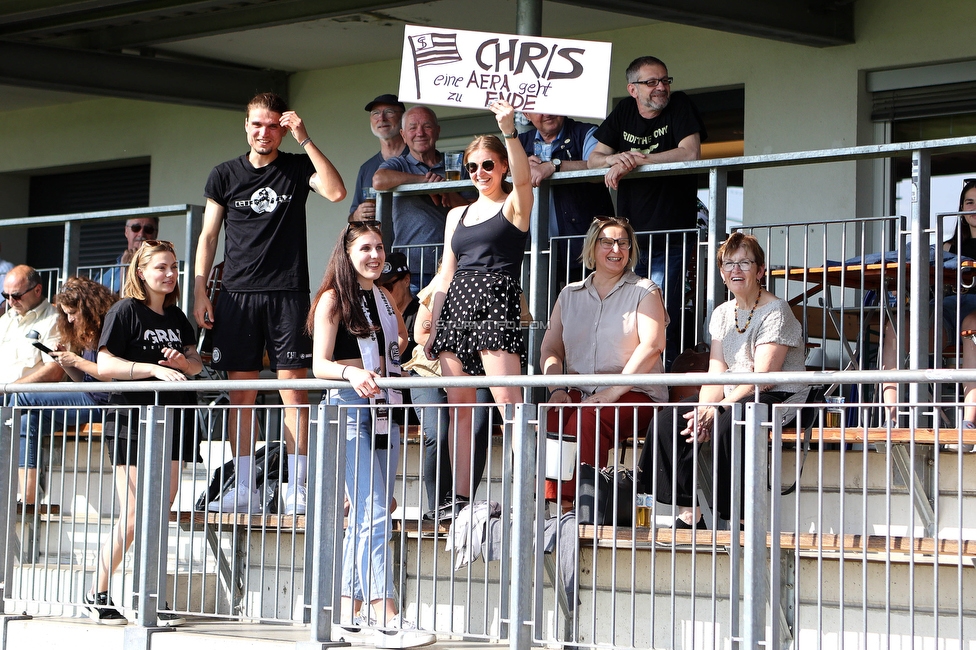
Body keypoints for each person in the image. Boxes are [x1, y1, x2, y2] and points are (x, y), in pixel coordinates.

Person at [194, 92, 346, 515]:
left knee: (293, 393)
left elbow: (336, 193)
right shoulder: (224, 174)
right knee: (241, 394)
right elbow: (208, 237)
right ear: (246, 126)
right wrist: (200, 289)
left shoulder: (297, 166)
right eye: (257, 124)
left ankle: (297, 486)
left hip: (288, 292)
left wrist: (306, 139)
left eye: (273, 125)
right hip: (237, 296)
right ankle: (245, 487)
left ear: (283, 127)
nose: (265, 132)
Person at [309, 222, 435, 648]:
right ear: (347, 253)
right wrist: (352, 372)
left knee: (368, 515)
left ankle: (347, 611)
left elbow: (398, 343)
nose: (374, 255)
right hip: (348, 409)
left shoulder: (382, 297)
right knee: (375, 511)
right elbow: (319, 365)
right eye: (365, 248)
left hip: (384, 410)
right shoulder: (332, 299)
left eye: (379, 247)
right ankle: (386, 616)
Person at [638, 233, 808, 529]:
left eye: (744, 262)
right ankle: (690, 511)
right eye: (729, 264)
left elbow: (764, 378)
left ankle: (736, 519)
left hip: (777, 395)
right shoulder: (721, 313)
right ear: (721, 273)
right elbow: (716, 371)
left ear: (761, 270)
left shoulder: (777, 311)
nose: (736, 270)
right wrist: (704, 410)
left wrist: (717, 411)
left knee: (730, 424)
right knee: (668, 421)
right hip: (733, 392)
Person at [425, 99, 533, 516]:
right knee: (460, 408)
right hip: (456, 308)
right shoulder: (457, 214)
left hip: (495, 302)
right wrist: (434, 322)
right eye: (472, 167)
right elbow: (445, 274)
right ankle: (461, 499)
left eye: (488, 165)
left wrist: (509, 130)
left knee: (510, 405)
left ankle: (526, 493)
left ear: (502, 165)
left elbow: (525, 183)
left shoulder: (514, 205)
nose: (480, 174)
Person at [88, 240, 202, 625]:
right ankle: (98, 592)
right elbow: (105, 364)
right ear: (141, 271)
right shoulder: (124, 311)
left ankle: (150, 597)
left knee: (158, 514)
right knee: (136, 513)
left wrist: (183, 362)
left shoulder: (177, 316)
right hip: (132, 421)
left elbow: (197, 365)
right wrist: (151, 368)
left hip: (175, 419)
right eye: (161, 268)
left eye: (173, 268)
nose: (169, 275)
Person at [540, 216, 668, 511]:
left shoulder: (645, 290)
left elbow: (653, 346)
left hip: (635, 394)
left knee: (589, 416)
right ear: (592, 248)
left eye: (623, 243)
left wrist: (613, 391)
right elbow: (550, 347)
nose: (616, 249)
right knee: (553, 415)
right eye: (607, 242)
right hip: (583, 391)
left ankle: (581, 506)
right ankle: (555, 505)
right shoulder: (569, 294)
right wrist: (556, 386)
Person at [587, 55, 707, 368]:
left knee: (662, 308)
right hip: (630, 239)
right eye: (651, 82)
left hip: (672, 234)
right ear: (633, 89)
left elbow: (690, 152)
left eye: (664, 80)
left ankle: (667, 372)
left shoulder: (679, 105)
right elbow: (594, 158)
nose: (660, 87)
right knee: (628, 310)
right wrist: (618, 159)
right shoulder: (625, 111)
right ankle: (632, 373)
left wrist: (639, 160)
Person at [14, 277, 117, 505]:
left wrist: (76, 360)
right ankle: (28, 498)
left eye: (73, 313)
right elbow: (83, 379)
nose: (70, 319)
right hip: (88, 396)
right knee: (26, 421)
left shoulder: (109, 327)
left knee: (21, 396)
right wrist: (66, 363)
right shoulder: (88, 331)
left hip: (102, 402)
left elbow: (111, 374)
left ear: (88, 307)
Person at [882, 178, 976, 424]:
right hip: (946, 313)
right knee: (895, 328)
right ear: (961, 209)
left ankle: (967, 422)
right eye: (970, 202)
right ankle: (889, 419)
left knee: (971, 324)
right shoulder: (946, 248)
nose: (974, 208)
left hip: (971, 319)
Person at [403, 272, 495, 519]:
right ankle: (437, 508)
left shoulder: (501, 281)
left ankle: (462, 504)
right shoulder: (440, 283)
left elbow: (518, 328)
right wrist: (456, 348)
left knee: (477, 429)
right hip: (429, 371)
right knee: (438, 433)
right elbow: (421, 334)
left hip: (480, 372)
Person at [373, 106, 469, 294]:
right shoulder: (399, 164)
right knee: (414, 323)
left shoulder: (457, 165)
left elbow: (476, 211)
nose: (420, 133)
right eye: (413, 127)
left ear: (438, 131)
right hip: (412, 271)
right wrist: (426, 183)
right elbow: (379, 180)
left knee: (451, 324)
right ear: (403, 134)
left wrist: (449, 193)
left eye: (427, 126)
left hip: (455, 267)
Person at [517, 112, 614, 283]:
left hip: (585, 251)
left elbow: (600, 168)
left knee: (589, 308)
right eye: (540, 109)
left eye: (552, 106)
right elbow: (497, 174)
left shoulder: (586, 132)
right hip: (533, 252)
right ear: (526, 114)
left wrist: (555, 165)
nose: (547, 113)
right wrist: (517, 169)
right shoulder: (518, 143)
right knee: (542, 309)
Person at [0, 265, 63, 386]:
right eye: (6, 296)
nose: (10, 302)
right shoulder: (6, 319)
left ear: (37, 290)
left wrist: (11, 389)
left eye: (16, 296)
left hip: (21, 399)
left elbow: (54, 371)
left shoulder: (54, 321)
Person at [348, 94, 407, 222]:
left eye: (389, 112)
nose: (381, 118)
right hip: (378, 241)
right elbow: (351, 218)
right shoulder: (366, 168)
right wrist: (357, 216)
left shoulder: (418, 158)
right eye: (375, 113)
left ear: (403, 118)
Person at [96, 216, 159, 292]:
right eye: (136, 228)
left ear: (155, 234)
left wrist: (126, 270)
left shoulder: (159, 269)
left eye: (148, 229)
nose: (141, 234)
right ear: (126, 231)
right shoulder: (106, 268)